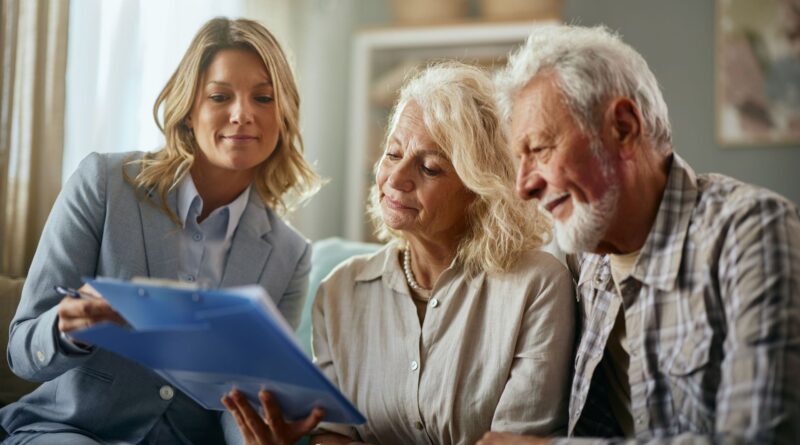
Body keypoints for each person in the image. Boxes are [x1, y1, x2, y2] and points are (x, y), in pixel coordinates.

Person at [0, 17, 321, 444]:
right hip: (69, 430)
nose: (243, 114)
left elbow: (244, 397)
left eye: (263, 98)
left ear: (283, 115)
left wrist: (263, 434)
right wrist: (66, 328)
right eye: (220, 96)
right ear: (190, 110)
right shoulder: (104, 184)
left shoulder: (290, 255)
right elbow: (23, 351)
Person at [478, 24, 800, 445]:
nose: (524, 186)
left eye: (539, 149)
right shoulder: (584, 249)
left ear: (624, 128)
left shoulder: (752, 232)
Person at [223, 62, 576, 445]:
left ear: (481, 191)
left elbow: (513, 442)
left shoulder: (536, 285)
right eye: (392, 154)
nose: (395, 178)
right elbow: (332, 436)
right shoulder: (340, 290)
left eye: (430, 168)